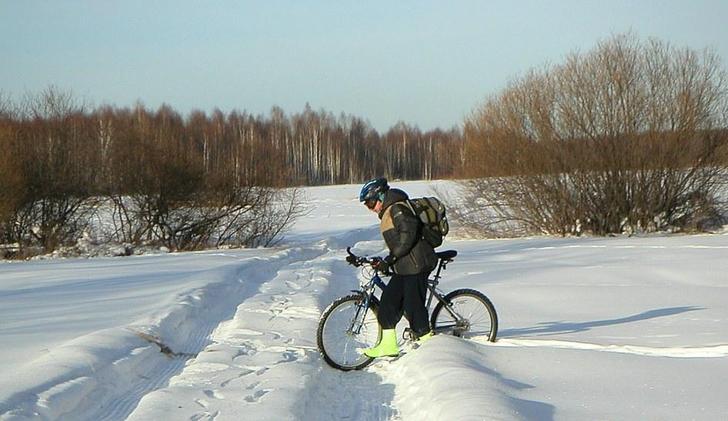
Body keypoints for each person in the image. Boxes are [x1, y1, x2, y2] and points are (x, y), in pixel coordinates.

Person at [357, 177, 438, 357]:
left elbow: (407, 235)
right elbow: (398, 242)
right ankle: (388, 346)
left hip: (417, 263)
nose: (370, 208)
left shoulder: (398, 208)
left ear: (380, 196)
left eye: (370, 203)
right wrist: (387, 261)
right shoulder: (389, 211)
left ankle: (430, 348)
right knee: (388, 303)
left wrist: (391, 258)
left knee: (413, 305)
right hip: (405, 265)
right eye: (367, 205)